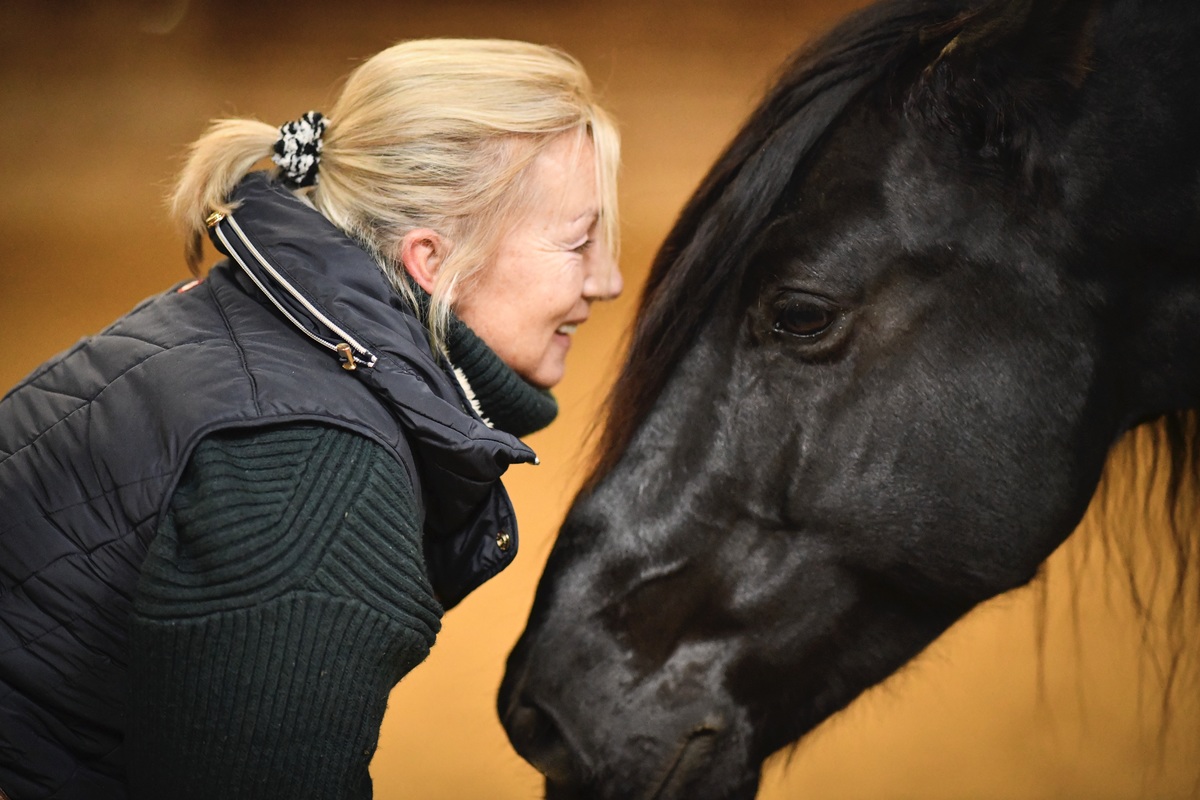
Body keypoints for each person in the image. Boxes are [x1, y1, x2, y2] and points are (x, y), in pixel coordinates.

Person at [0, 38, 622, 800]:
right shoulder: (320, 466)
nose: (610, 279)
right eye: (579, 240)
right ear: (430, 259)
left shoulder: (255, 331)